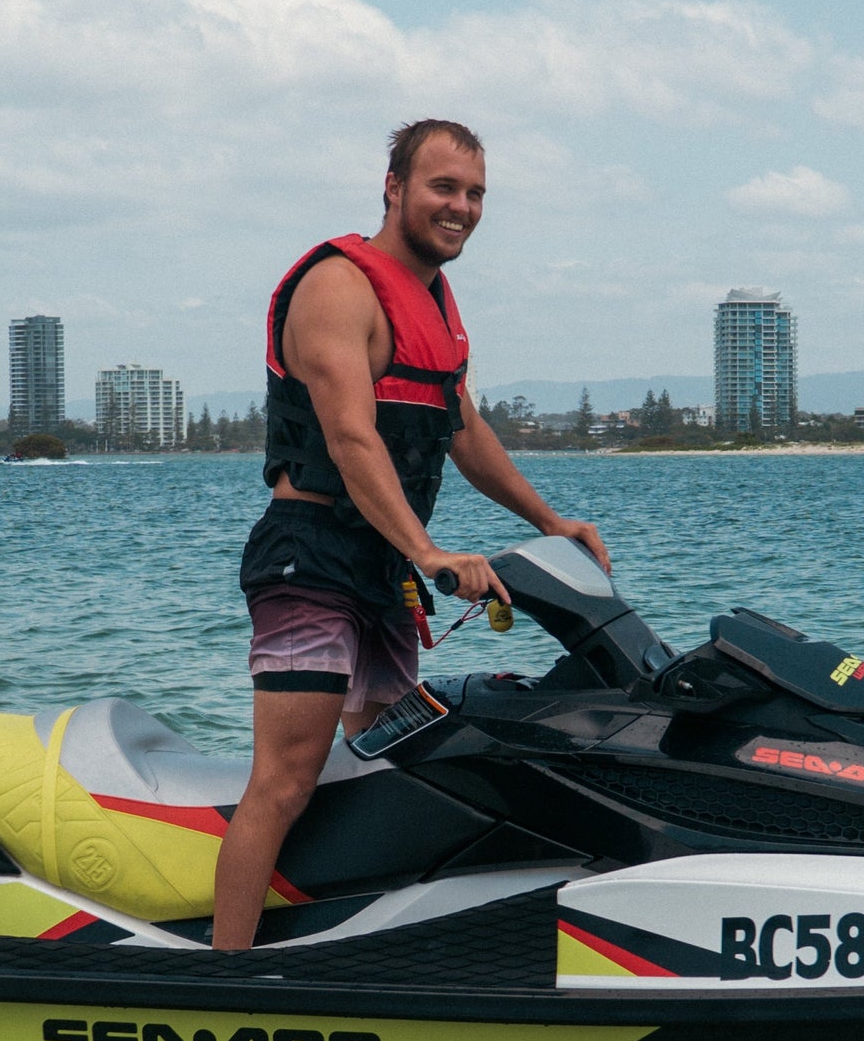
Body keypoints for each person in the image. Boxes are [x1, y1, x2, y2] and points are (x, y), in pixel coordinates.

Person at [211, 118, 610, 951]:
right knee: (285, 780)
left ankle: (357, 941)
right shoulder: (338, 287)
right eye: (443, 187)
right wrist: (429, 552)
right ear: (393, 187)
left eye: (475, 193)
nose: (461, 206)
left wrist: (550, 522)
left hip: (380, 568)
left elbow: (463, 428)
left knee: (387, 765)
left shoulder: (434, 303)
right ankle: (224, 974)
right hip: (309, 557)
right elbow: (351, 438)